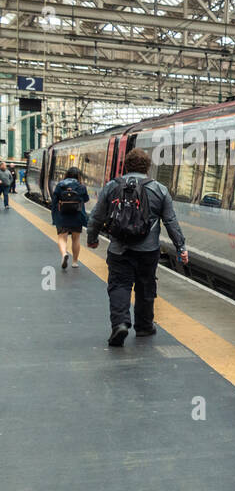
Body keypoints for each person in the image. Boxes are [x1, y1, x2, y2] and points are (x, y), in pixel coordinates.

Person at [86, 148, 189, 347]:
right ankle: (144, 326)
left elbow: (97, 216)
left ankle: (120, 323)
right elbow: (170, 221)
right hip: (148, 250)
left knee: (119, 285)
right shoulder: (159, 189)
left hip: (119, 248)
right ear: (147, 167)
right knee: (146, 285)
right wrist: (180, 247)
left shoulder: (112, 186)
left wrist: (92, 238)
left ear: (126, 166)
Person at [50, 167, 90, 267]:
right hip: (77, 216)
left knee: (62, 237)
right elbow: (86, 199)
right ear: (78, 176)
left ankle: (64, 254)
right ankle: (75, 262)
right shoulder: (81, 186)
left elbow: (54, 200)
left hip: (62, 215)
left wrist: (55, 216)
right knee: (76, 239)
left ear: (67, 174)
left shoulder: (60, 185)